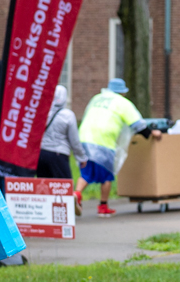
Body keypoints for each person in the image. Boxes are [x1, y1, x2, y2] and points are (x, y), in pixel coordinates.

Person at [77, 78, 155, 218]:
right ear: (123, 92)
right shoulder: (123, 103)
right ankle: (103, 206)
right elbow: (138, 125)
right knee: (107, 175)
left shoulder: (97, 98)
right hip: (104, 140)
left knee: (86, 173)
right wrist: (151, 134)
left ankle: (76, 195)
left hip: (84, 136)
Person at [38, 84, 86, 188]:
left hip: (41, 155)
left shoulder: (42, 112)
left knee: (44, 187)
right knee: (63, 187)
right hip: (59, 155)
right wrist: (81, 157)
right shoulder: (68, 115)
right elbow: (75, 141)